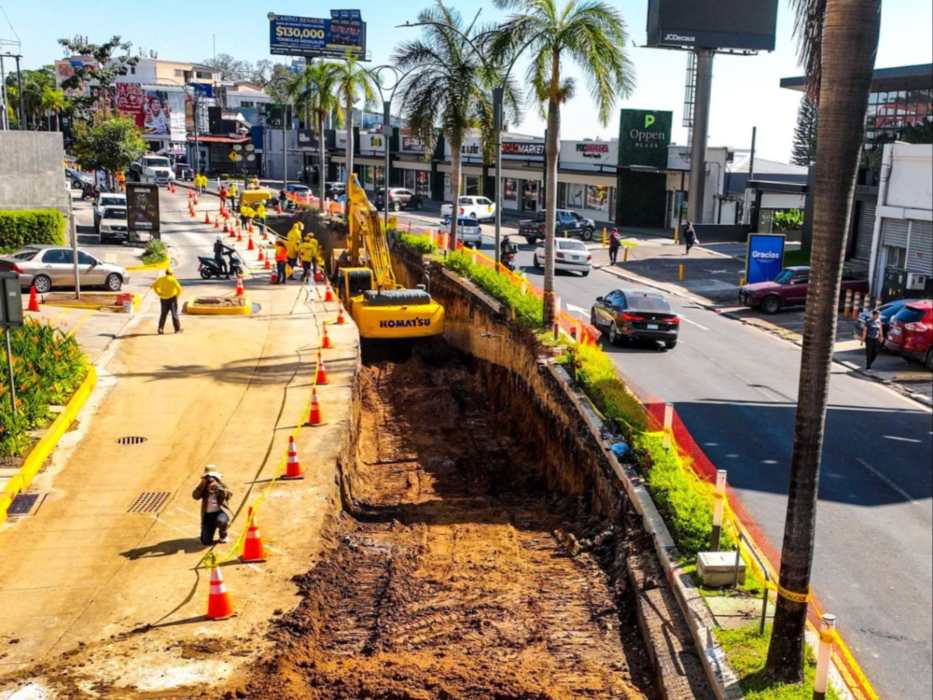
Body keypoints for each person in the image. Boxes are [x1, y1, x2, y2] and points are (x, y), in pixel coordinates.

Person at [192, 467, 232, 545]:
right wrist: (202, 484)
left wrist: (218, 488)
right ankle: (209, 530)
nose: (210, 479)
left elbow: (229, 495)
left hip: (219, 513)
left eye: (213, 477)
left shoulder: (220, 485)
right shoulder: (203, 487)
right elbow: (195, 496)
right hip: (207, 516)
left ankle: (223, 535)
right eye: (208, 477)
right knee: (205, 541)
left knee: (222, 522)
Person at [151, 269, 182, 334]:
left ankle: (160, 329)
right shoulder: (173, 279)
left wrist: (159, 293)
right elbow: (179, 289)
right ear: (171, 273)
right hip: (172, 299)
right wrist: (177, 295)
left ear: (166, 273)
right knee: (174, 314)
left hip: (163, 299)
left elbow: (153, 286)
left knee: (163, 314)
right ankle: (177, 329)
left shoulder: (161, 279)